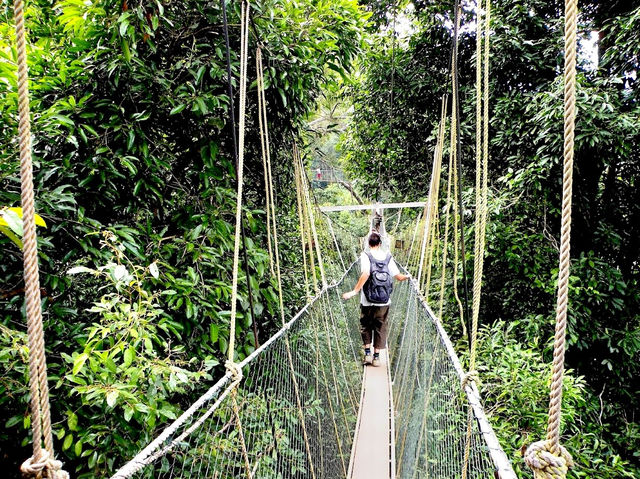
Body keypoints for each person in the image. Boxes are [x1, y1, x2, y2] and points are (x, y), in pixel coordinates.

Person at [342, 232, 409, 366]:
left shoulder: (365, 255)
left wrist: (354, 291)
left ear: (368, 243)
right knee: (380, 327)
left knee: (365, 325)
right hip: (384, 302)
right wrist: (409, 276)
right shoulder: (388, 257)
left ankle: (367, 355)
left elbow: (366, 273)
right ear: (380, 244)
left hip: (367, 300)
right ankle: (377, 358)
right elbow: (398, 276)